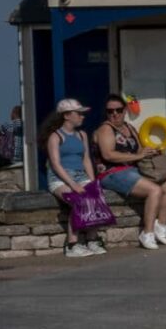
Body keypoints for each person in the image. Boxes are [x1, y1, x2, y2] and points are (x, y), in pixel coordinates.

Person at [92, 94, 166, 248]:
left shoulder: (129, 127)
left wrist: (149, 152)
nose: (114, 113)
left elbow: (139, 150)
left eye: (118, 110)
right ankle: (147, 233)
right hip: (112, 173)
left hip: (133, 169)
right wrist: (137, 155)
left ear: (125, 111)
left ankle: (160, 227)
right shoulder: (105, 129)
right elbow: (108, 154)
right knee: (154, 190)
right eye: (110, 111)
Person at [42, 99, 106, 257]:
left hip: (81, 175)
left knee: (94, 199)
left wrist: (92, 182)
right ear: (67, 116)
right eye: (79, 113)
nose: (83, 116)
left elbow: (86, 160)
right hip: (60, 179)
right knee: (78, 201)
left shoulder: (82, 135)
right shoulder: (55, 137)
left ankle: (92, 240)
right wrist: (72, 184)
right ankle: (72, 244)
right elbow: (56, 165)